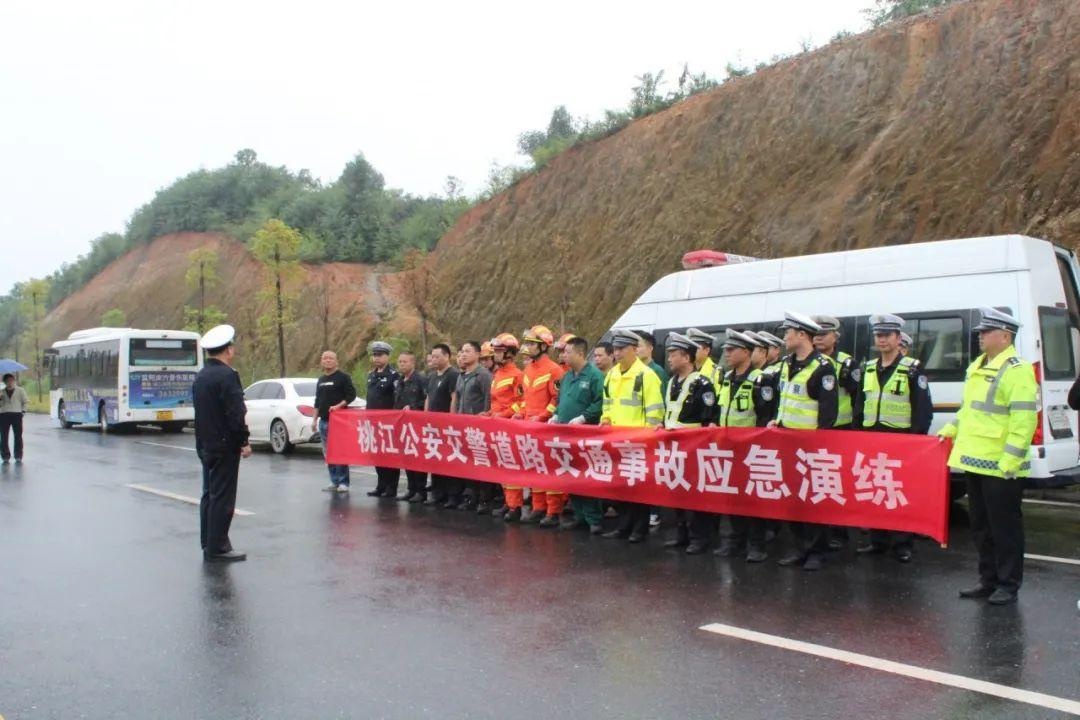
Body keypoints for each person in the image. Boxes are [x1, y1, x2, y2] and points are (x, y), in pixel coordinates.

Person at [939, 308, 1037, 605]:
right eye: (981, 332)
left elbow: (1024, 420)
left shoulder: (1017, 370)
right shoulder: (977, 366)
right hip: (973, 459)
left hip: (1002, 466)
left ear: (1005, 336)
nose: (980, 336)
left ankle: (1008, 584)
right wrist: (952, 428)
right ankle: (988, 580)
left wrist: (1011, 459)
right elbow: (970, 410)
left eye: (986, 332)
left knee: (1004, 528)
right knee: (980, 526)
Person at [853, 314, 933, 563]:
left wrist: (915, 443)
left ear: (898, 338)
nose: (882, 340)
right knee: (875, 489)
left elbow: (922, 409)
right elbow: (859, 405)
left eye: (887, 335)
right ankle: (878, 540)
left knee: (898, 492)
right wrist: (855, 437)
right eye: (878, 335)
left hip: (900, 440)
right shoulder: (867, 368)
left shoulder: (912, 368)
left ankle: (902, 544)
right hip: (871, 438)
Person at [769, 311, 838, 571]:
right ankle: (800, 548)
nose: (785, 337)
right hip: (787, 443)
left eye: (788, 332)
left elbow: (827, 412)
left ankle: (817, 551)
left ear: (802, 335)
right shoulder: (787, 364)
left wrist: (818, 445)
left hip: (810, 447)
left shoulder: (823, 367)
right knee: (793, 500)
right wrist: (778, 419)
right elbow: (784, 400)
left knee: (813, 500)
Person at [193, 325, 252, 562]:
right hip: (224, 445)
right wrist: (244, 441)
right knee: (223, 497)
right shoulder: (227, 376)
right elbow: (235, 413)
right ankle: (218, 547)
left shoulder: (201, 376)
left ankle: (208, 541)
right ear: (228, 350)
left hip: (205, 444)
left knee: (209, 494)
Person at [600, 329, 664, 543]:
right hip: (616, 439)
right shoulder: (612, 374)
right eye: (615, 349)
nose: (617, 353)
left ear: (634, 350)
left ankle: (639, 528)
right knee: (621, 488)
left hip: (638, 442)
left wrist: (647, 437)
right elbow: (608, 403)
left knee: (638, 489)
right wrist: (606, 419)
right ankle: (623, 526)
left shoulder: (646, 376)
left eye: (621, 349)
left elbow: (655, 411)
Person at [714, 330, 771, 562]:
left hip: (752, 450)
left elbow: (764, 417)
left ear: (745, 352)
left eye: (731, 350)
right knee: (732, 498)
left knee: (753, 499)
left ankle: (756, 545)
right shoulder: (727, 378)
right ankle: (736, 540)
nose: (726, 354)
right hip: (730, 449)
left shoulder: (762, 379)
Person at [659, 332, 717, 554]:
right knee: (678, 493)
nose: (669, 359)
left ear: (686, 357)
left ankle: (699, 537)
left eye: (673, 354)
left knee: (696, 496)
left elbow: (708, 418)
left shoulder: (702, 384)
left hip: (694, 449)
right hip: (674, 447)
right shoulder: (673, 381)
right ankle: (682, 533)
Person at [812, 315, 860, 551]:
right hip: (814, 430)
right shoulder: (809, 362)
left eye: (824, 334)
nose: (819, 338)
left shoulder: (846, 363)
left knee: (836, 483)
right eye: (816, 334)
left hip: (840, 431)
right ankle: (819, 530)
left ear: (836, 337)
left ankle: (839, 533)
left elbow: (858, 397)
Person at [550, 335, 606, 533]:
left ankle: (594, 519)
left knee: (587, 477)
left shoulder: (594, 376)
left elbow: (600, 401)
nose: (563, 355)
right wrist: (556, 415)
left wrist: (584, 417)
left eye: (567, 351)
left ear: (580, 353)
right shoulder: (567, 376)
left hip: (586, 435)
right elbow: (561, 401)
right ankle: (579, 515)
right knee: (571, 475)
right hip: (566, 434)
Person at [510, 325, 565, 525]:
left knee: (549, 471)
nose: (528, 347)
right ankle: (538, 507)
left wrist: (542, 416)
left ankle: (553, 511)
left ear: (543, 346)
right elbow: (526, 397)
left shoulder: (554, 370)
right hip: (528, 427)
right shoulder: (528, 370)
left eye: (532, 344)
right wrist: (521, 413)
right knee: (534, 469)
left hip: (545, 428)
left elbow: (557, 400)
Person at [484, 333, 525, 518]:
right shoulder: (497, 374)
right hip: (497, 425)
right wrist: (490, 413)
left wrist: (504, 415)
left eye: (499, 351)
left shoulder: (517, 375)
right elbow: (496, 402)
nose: (496, 354)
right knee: (501, 465)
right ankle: (507, 502)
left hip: (509, 427)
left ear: (510, 353)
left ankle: (515, 506)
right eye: (496, 351)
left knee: (511, 466)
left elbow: (521, 402)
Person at [452, 341, 492, 511]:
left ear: (477, 354)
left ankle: (485, 499)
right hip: (463, 426)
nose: (464, 354)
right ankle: (471, 496)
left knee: (482, 463)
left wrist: (485, 417)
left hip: (479, 427)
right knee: (468, 463)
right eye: (462, 351)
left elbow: (489, 398)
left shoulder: (483, 375)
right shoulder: (462, 375)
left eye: (468, 351)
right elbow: (458, 398)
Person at [312, 350, 357, 493]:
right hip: (324, 421)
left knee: (340, 451)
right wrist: (314, 419)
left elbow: (351, 395)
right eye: (325, 358)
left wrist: (338, 406)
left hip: (339, 421)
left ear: (336, 361)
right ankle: (334, 480)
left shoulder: (343, 378)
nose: (327, 360)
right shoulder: (321, 380)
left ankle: (343, 482)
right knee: (328, 453)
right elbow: (317, 401)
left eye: (331, 358)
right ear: (321, 361)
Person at [423, 344, 459, 506]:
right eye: (433, 356)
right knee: (435, 458)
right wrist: (424, 417)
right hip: (432, 425)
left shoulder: (453, 375)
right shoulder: (431, 376)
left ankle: (452, 494)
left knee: (450, 460)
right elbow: (428, 398)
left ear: (447, 356)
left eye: (438, 356)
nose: (434, 359)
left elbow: (454, 398)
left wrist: (451, 420)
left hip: (446, 425)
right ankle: (437, 492)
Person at [366, 341, 401, 499]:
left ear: (387, 356)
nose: (377, 358)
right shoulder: (371, 375)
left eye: (380, 355)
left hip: (388, 424)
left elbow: (396, 398)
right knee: (377, 455)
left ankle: (391, 487)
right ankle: (381, 484)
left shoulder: (393, 375)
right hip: (373, 423)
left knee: (390, 456)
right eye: (375, 355)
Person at [393, 350, 428, 503]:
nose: (401, 364)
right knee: (406, 458)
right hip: (403, 425)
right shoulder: (400, 380)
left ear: (412, 363)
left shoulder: (420, 379)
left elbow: (426, 399)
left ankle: (421, 491)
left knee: (418, 459)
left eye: (404, 362)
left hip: (417, 424)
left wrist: (413, 407)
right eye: (399, 362)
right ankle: (411, 489)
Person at [0, 373, 29, 465]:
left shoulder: (20, 390)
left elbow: (25, 401)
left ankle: (18, 455)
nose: (10, 383)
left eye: (11, 381)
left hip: (16, 414)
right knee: (4, 436)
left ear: (14, 381)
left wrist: (23, 411)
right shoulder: (2, 392)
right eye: (8, 381)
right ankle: (5, 456)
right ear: (4, 382)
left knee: (18, 436)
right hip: (4, 415)